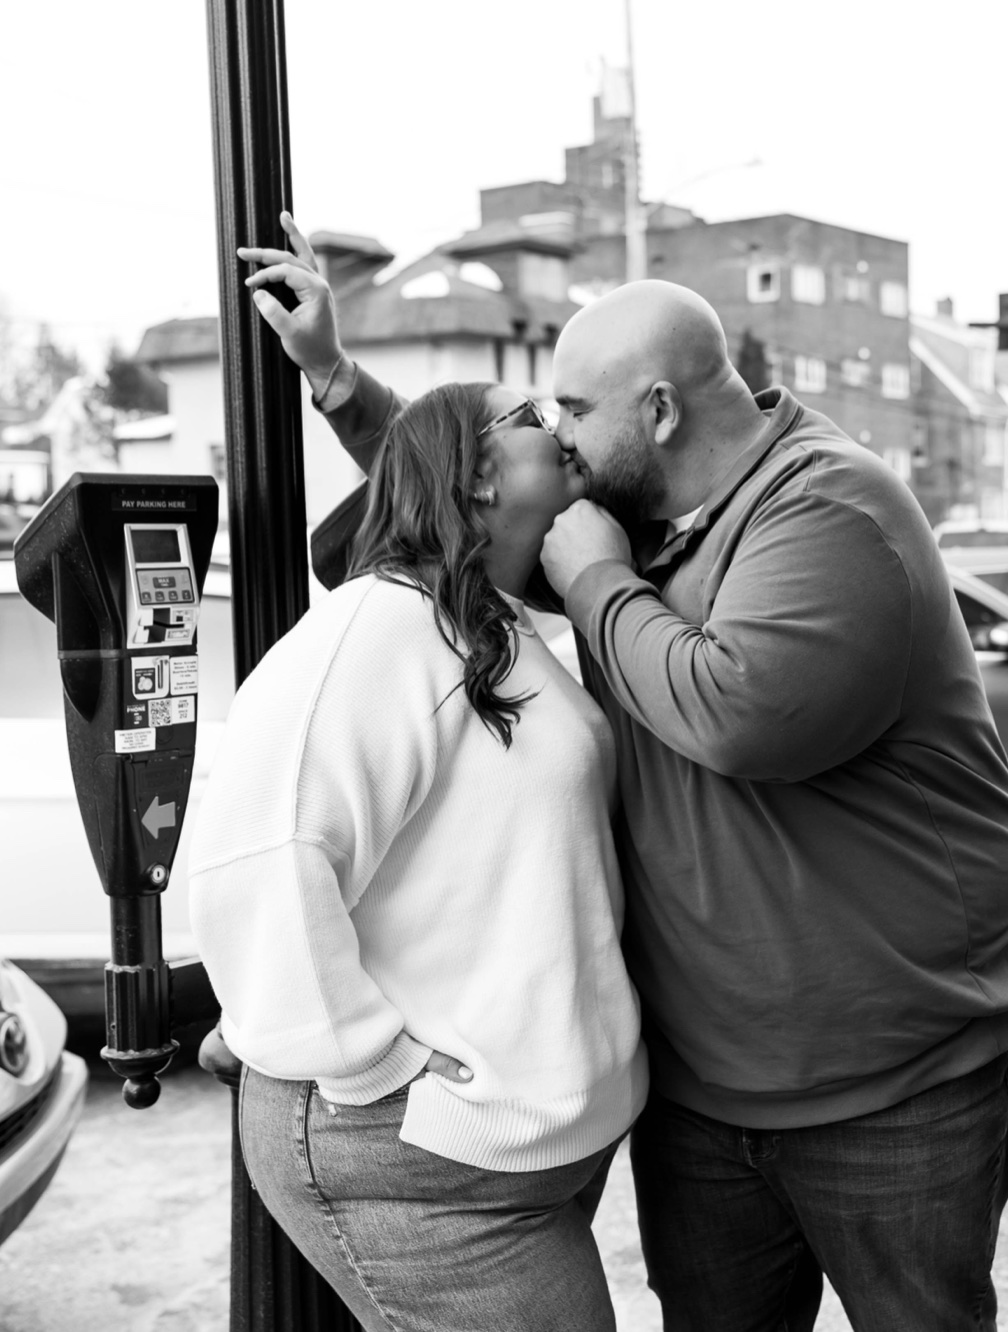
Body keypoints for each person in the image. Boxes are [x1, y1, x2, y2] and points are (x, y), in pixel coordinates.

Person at [242, 214, 1008, 1332]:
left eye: (574, 409)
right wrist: (334, 379)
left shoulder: (827, 505)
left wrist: (596, 583)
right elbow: (476, 495)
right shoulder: (631, 510)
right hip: (703, 1095)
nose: (560, 439)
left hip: (891, 1088)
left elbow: (737, 710)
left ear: (658, 412)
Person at [186, 373, 648, 1330]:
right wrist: (369, 1069)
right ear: (472, 476)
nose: (561, 426)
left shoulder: (509, 628)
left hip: (521, 1143)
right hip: (423, 1160)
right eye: (530, 418)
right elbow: (262, 855)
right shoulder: (375, 630)